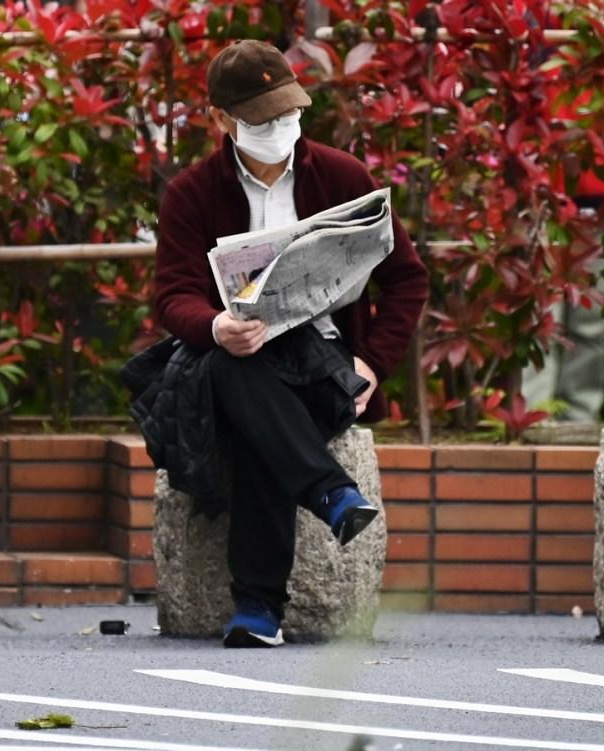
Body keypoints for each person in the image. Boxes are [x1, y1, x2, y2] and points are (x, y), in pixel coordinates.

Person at [144, 40, 428, 648]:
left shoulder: (342, 176)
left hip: (325, 365)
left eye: (288, 113)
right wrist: (217, 325)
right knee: (236, 369)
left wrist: (372, 362)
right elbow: (174, 296)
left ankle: (259, 606)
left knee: (257, 413)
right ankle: (329, 492)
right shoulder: (193, 193)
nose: (280, 129)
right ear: (221, 119)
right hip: (235, 357)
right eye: (262, 118)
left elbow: (407, 277)